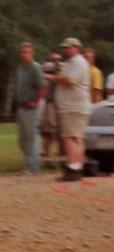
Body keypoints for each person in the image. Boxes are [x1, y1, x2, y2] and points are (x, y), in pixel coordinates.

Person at [45, 37, 91, 182]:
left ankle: (73, 168)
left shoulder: (78, 62)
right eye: (64, 48)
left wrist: (52, 78)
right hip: (77, 105)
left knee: (68, 137)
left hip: (72, 106)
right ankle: (77, 167)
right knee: (77, 138)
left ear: (76, 47)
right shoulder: (75, 62)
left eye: (68, 48)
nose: (65, 50)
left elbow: (69, 80)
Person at [15, 42, 46, 175]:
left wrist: (36, 101)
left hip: (31, 106)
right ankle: (28, 164)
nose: (25, 54)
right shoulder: (20, 68)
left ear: (32, 53)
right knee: (23, 138)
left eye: (27, 52)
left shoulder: (35, 67)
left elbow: (42, 86)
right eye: (22, 52)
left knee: (31, 136)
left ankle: (32, 167)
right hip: (21, 105)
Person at [40, 52, 63, 168]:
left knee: (61, 133)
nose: (57, 61)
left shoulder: (62, 70)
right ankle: (46, 157)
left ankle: (60, 158)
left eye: (59, 59)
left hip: (61, 104)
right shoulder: (48, 68)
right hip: (51, 103)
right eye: (55, 59)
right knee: (49, 132)